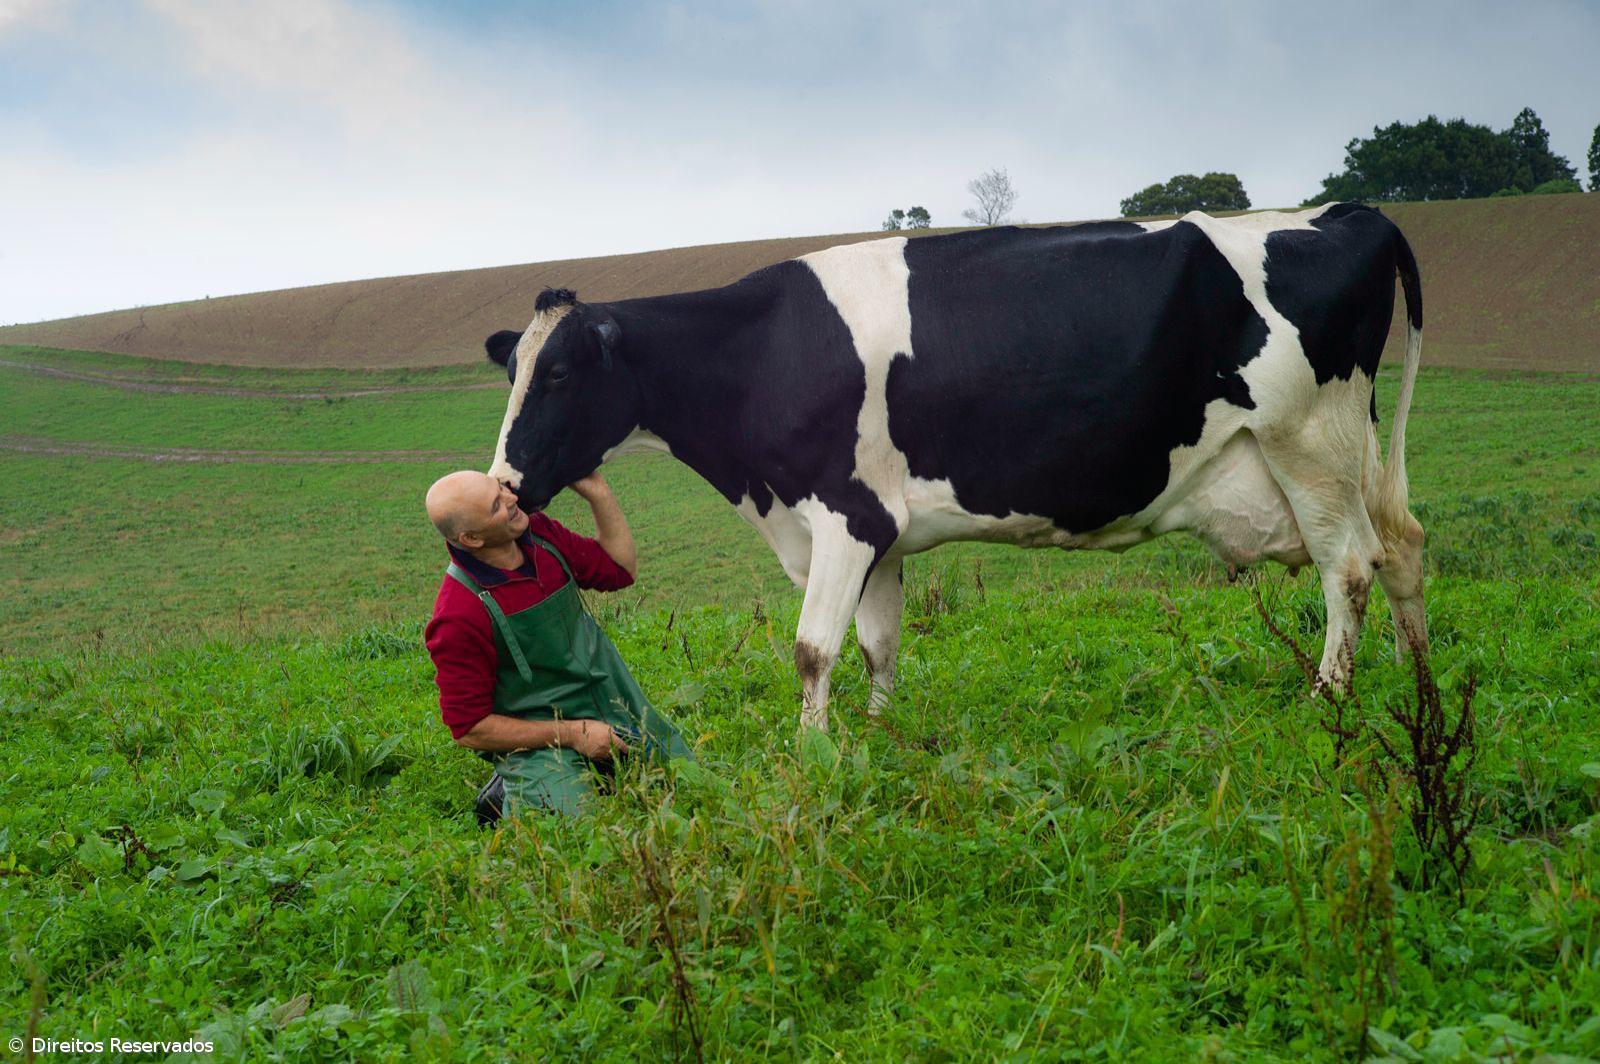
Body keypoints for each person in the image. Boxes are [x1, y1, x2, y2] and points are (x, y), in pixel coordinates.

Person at [423, 470, 690, 822]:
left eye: (500, 488)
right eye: (495, 505)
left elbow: (619, 569)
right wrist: (574, 734)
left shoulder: (542, 536)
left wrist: (598, 494)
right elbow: (470, 729)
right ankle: (507, 790)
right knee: (576, 827)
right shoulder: (458, 614)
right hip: (540, 735)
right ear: (471, 538)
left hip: (612, 701)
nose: (512, 498)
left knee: (690, 785)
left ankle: (599, 769)